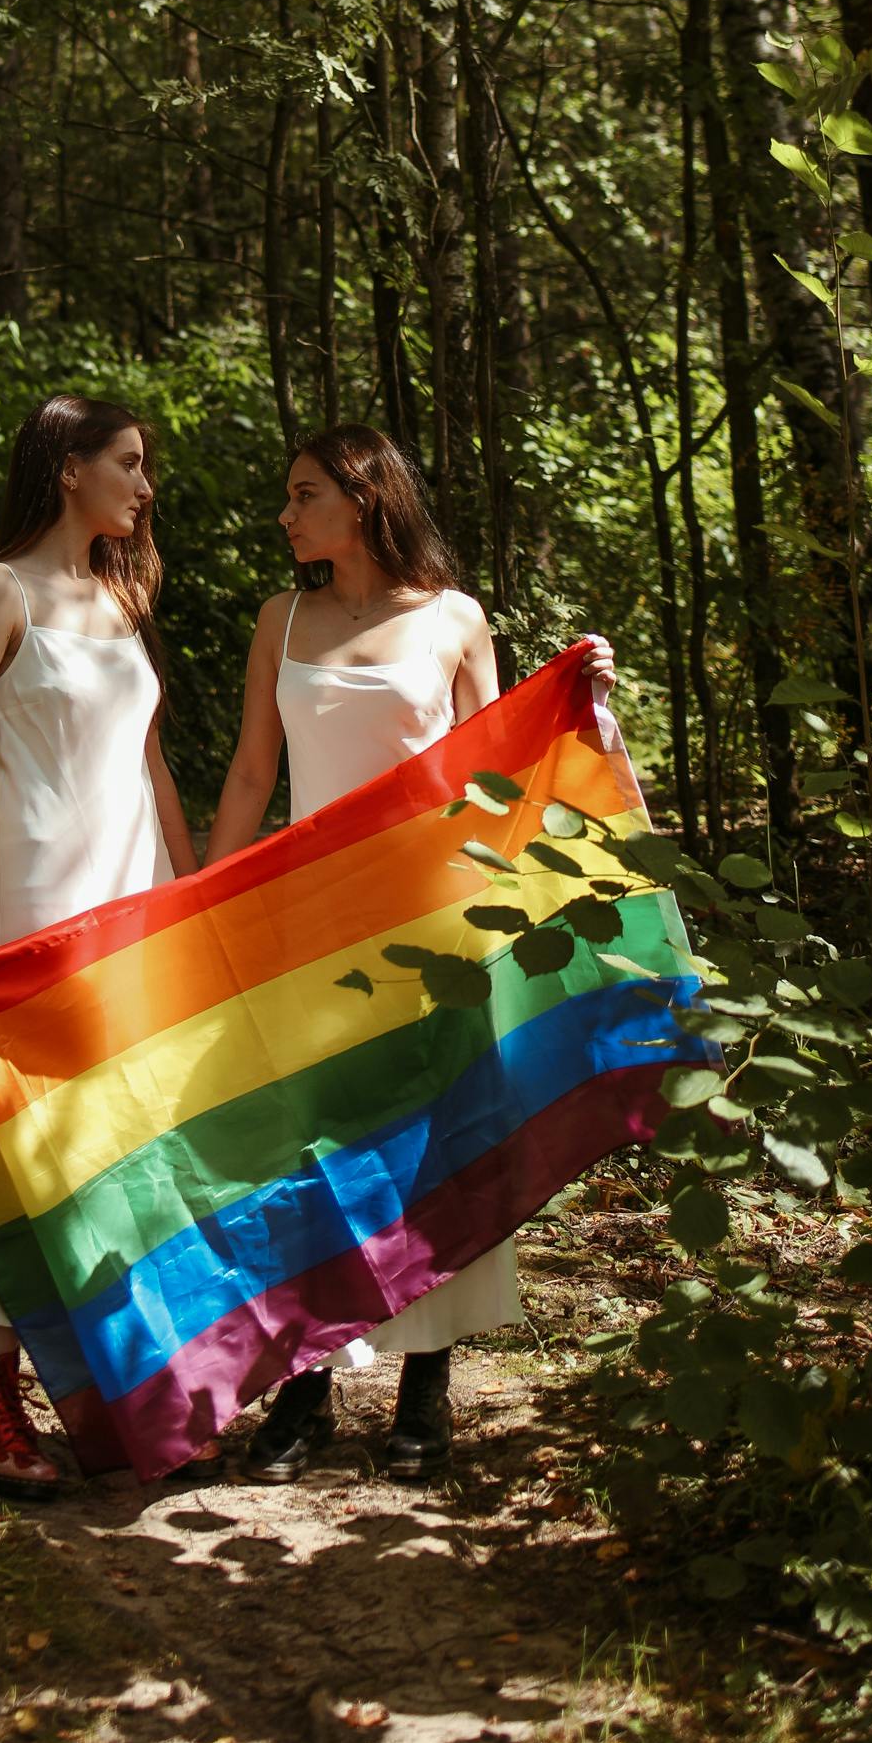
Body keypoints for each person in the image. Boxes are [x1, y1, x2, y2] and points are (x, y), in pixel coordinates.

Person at [204, 424, 615, 1486]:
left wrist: (583, 700)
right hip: (305, 927)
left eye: (302, 496)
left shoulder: (453, 620)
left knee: (430, 1149)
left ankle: (424, 1382)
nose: (285, 516)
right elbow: (251, 774)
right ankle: (304, 1390)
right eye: (287, 497)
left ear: (362, 498)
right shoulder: (279, 618)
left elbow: (503, 775)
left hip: (428, 923)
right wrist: (206, 905)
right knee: (312, 1153)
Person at [0, 392, 197, 1497]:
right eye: (125, 461)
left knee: (129, 1141)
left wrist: (194, 882)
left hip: (137, 898)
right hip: (41, 899)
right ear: (66, 468)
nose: (142, 483)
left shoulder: (123, 593)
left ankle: (121, 1388)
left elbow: (151, 762)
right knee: (28, 1151)